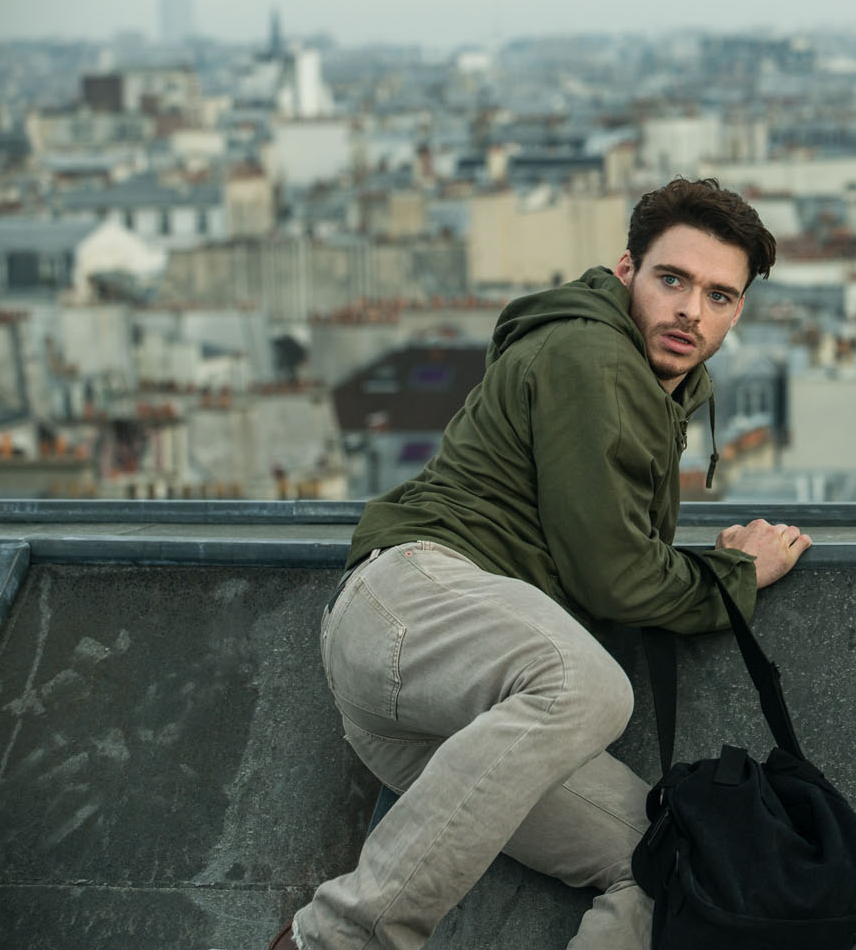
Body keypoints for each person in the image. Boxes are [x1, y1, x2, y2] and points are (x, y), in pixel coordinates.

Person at [270, 177, 811, 950]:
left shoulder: (651, 386)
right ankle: (333, 940)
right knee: (589, 686)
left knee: (665, 861)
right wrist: (734, 577)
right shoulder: (591, 354)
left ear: (739, 310)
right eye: (673, 279)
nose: (692, 309)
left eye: (719, 295)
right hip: (411, 600)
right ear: (626, 271)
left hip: (461, 702)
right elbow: (614, 574)